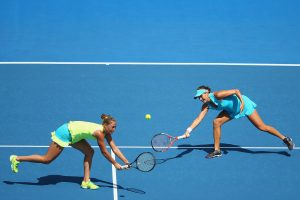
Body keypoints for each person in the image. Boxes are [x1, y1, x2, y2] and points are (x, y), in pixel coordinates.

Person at [9, 114, 129, 189]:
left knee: (90, 152)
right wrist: (115, 164)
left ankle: (86, 182)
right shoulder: (100, 133)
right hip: (65, 133)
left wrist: (126, 161)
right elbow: (104, 152)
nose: (114, 129)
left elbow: (114, 148)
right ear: (105, 125)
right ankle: (17, 158)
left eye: (115, 127)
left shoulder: (106, 132)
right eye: (113, 127)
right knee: (47, 160)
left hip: (74, 134)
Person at [181, 85, 295, 159]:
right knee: (216, 122)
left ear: (206, 92)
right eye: (198, 98)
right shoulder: (206, 105)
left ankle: (285, 139)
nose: (200, 99)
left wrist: (242, 103)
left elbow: (236, 90)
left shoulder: (218, 95)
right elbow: (198, 118)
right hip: (231, 110)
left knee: (262, 127)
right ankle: (217, 151)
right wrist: (188, 130)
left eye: (200, 96)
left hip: (243, 105)